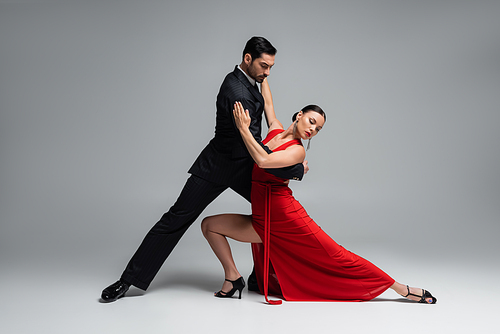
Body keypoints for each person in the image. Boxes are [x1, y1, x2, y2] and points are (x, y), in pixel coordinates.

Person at [101, 37, 306, 302]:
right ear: (247, 59)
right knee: (175, 218)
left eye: (271, 67)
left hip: (244, 164)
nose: (267, 73)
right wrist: (295, 168)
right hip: (219, 165)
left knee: (274, 215)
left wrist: (264, 81)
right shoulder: (238, 93)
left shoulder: (248, 79)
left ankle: (259, 276)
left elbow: (264, 103)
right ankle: (127, 281)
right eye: (264, 66)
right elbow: (252, 144)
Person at [201, 79, 437, 304]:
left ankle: (400, 288)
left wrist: (243, 128)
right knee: (209, 225)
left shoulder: (297, 152)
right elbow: (269, 104)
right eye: (312, 121)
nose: (313, 129)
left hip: (285, 218)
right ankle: (233, 278)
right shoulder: (275, 131)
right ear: (299, 115)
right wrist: (263, 76)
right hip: (264, 219)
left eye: (318, 129)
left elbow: (262, 160)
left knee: (336, 255)